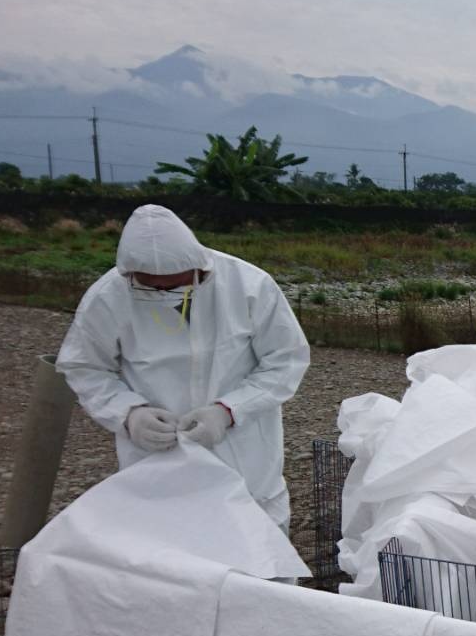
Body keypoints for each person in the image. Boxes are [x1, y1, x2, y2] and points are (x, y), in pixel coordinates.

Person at [57, 204, 310, 530]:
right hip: (157, 453)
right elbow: (84, 366)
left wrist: (228, 410)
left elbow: (287, 359)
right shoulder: (109, 296)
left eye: (175, 285)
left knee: (256, 542)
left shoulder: (249, 285)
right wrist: (129, 413)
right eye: (154, 287)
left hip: (241, 451)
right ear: (130, 274)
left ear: (198, 268)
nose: (166, 294)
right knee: (166, 544)